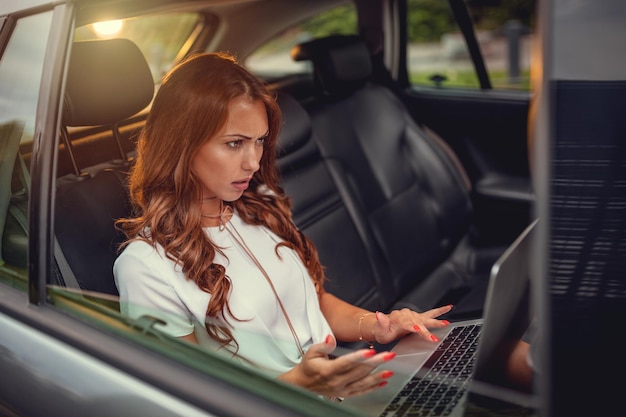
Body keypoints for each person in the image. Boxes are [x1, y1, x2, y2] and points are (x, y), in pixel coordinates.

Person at [113, 52, 453, 399]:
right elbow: (187, 398)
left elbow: (315, 303)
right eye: (234, 143)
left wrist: (380, 326)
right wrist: (300, 385)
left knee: (487, 359)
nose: (253, 161)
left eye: (260, 141)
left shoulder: (260, 206)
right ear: (180, 144)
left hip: (340, 392)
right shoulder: (146, 267)